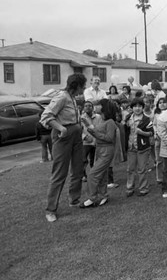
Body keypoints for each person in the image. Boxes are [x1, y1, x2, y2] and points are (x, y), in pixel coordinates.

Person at [40, 73, 87, 222]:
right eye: (83, 85)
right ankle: (51, 210)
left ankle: (74, 200)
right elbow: (45, 116)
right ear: (76, 85)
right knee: (59, 173)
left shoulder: (73, 98)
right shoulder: (62, 97)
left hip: (76, 136)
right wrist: (61, 128)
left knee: (78, 169)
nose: (84, 88)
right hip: (63, 137)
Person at [79, 99, 118, 208]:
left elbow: (109, 138)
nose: (95, 107)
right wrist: (88, 125)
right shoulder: (102, 120)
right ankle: (103, 195)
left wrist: (94, 132)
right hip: (100, 149)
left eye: (98, 105)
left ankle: (92, 198)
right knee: (102, 174)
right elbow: (97, 131)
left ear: (104, 107)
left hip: (106, 150)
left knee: (92, 174)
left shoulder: (110, 122)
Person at [124, 98, 154, 197]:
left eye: (139, 106)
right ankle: (130, 188)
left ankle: (143, 188)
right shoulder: (128, 118)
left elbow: (151, 133)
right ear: (132, 108)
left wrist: (142, 132)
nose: (137, 108)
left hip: (143, 147)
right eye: (135, 106)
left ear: (142, 107)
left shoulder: (146, 119)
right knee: (130, 169)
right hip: (130, 147)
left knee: (142, 169)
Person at [81, 101, 102, 181]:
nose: (87, 107)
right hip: (85, 142)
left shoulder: (98, 117)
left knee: (94, 159)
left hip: (96, 141)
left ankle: (94, 174)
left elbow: (99, 128)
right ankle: (83, 175)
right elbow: (79, 130)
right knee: (83, 159)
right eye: (86, 106)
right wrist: (84, 137)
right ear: (83, 108)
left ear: (92, 108)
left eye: (89, 106)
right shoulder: (81, 118)